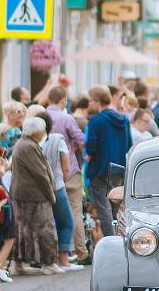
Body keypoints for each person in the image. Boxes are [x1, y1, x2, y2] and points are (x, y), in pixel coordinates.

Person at [11, 116, 60, 273]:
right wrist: (51, 194)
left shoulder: (24, 144)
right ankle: (49, 264)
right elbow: (41, 174)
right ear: (36, 132)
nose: (45, 132)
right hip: (34, 195)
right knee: (45, 228)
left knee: (23, 229)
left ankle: (18, 263)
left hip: (23, 194)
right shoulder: (28, 146)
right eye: (43, 130)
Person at [44, 86, 87, 263]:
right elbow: (81, 140)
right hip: (68, 168)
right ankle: (80, 251)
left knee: (52, 213)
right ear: (63, 100)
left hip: (47, 170)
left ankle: (55, 253)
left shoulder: (41, 115)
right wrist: (75, 147)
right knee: (75, 210)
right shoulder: (66, 117)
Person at [85, 86, 132, 242]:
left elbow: (91, 146)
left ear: (97, 101)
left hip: (99, 168)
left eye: (90, 100)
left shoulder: (95, 120)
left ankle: (111, 243)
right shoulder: (123, 119)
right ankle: (121, 239)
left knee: (103, 209)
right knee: (116, 208)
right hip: (118, 168)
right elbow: (129, 144)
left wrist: (88, 156)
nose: (89, 103)